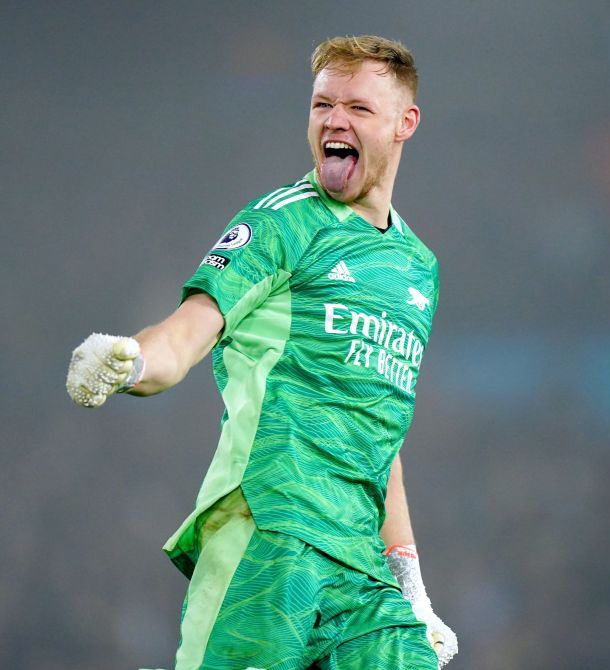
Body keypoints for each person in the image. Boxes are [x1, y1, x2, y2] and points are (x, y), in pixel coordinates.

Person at [66, 35, 458, 669]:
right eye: (322, 104)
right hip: (268, 536)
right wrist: (131, 360)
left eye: (358, 108)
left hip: (359, 566)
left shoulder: (419, 268)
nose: (334, 120)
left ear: (404, 123)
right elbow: (189, 330)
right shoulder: (281, 224)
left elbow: (382, 434)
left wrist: (411, 584)